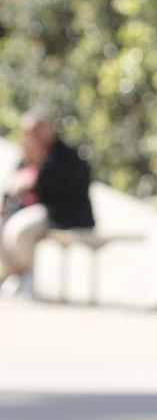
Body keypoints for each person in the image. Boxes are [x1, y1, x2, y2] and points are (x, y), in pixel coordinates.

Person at [0, 112, 95, 299]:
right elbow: (13, 186)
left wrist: (41, 165)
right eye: (28, 132)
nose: (32, 136)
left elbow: (67, 188)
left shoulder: (66, 155)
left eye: (36, 131)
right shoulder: (26, 156)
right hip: (23, 209)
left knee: (21, 230)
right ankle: (14, 273)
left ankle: (23, 274)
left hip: (59, 214)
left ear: (49, 129)